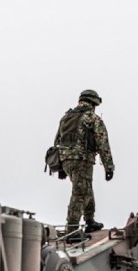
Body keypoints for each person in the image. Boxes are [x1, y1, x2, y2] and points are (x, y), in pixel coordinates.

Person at [54, 90, 114, 233]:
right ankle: (72, 229)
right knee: (80, 193)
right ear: (93, 103)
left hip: (65, 161)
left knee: (85, 187)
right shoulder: (92, 118)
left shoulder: (66, 117)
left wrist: (61, 167)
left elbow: (58, 141)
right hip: (82, 160)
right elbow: (103, 144)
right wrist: (109, 167)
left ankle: (89, 220)